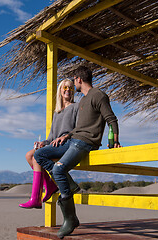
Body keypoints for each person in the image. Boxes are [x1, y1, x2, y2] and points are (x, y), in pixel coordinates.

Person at [34, 66, 121, 239]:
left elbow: (111, 119)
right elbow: (79, 128)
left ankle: (70, 218)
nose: (73, 84)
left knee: (58, 169)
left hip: (86, 142)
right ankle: (70, 185)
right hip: (73, 139)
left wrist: (115, 140)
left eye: (74, 81)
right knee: (39, 154)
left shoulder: (98, 95)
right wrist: (65, 136)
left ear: (79, 79)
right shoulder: (83, 100)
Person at [19, 79, 79, 209]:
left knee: (37, 157)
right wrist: (43, 143)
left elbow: (79, 128)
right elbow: (52, 137)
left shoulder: (76, 107)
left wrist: (66, 136)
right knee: (29, 155)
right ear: (60, 91)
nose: (68, 90)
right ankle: (50, 186)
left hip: (69, 143)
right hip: (56, 144)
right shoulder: (57, 112)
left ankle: (35, 198)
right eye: (65, 88)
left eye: (70, 88)